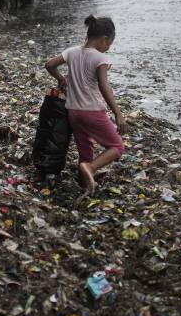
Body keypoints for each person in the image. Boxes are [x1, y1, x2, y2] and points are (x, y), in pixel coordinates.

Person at [45, 15, 126, 193]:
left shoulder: (72, 52)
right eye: (110, 44)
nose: (108, 48)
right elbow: (104, 87)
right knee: (117, 146)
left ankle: (85, 183)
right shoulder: (100, 59)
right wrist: (118, 113)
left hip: (73, 112)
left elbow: (50, 64)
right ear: (104, 39)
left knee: (85, 150)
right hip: (93, 112)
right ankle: (91, 168)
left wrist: (61, 80)